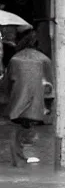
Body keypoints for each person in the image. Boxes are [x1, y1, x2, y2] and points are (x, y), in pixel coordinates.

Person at [0, 29, 52, 166]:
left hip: (18, 105)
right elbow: (51, 85)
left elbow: (6, 85)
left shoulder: (15, 59)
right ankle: (28, 156)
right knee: (28, 130)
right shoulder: (45, 60)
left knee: (16, 130)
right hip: (39, 106)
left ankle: (19, 161)